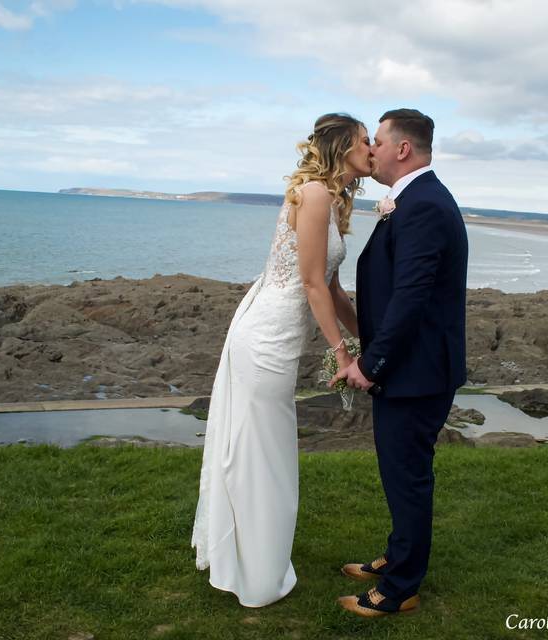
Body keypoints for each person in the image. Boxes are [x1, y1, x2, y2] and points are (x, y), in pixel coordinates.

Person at [191, 113, 372, 607]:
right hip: (267, 335)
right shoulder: (314, 194)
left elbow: (332, 288)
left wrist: (369, 339)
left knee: (267, 451)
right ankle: (252, 570)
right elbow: (311, 283)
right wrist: (341, 352)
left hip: (282, 334)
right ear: (340, 148)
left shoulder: (332, 199)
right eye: (363, 141)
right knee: (261, 453)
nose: (371, 148)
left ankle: (256, 556)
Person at [331, 108, 469, 617]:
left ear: (403, 149)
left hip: (416, 372)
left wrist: (370, 364)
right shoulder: (413, 200)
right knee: (400, 472)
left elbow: (411, 296)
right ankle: (397, 555)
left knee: (407, 475)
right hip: (412, 369)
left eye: (379, 142)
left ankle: (399, 589)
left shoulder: (425, 205)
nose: (373, 151)